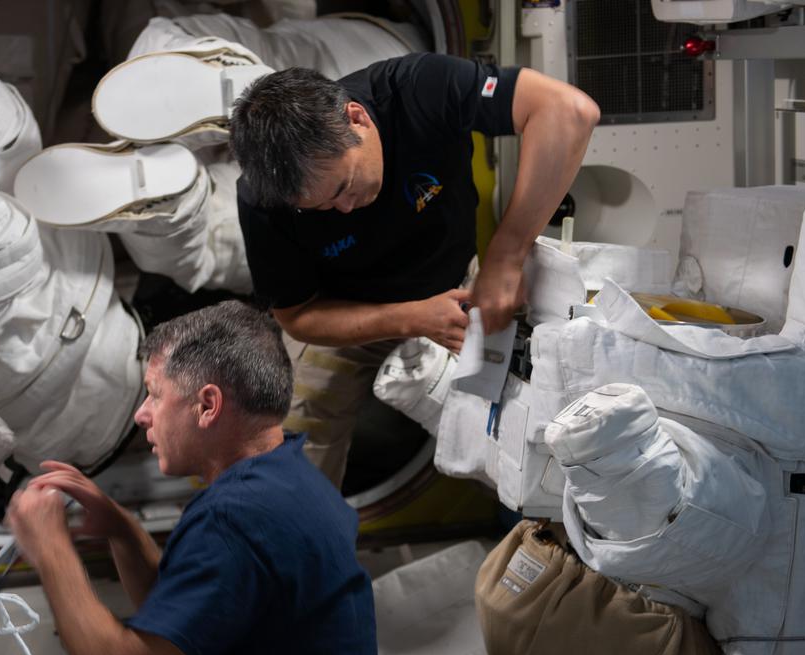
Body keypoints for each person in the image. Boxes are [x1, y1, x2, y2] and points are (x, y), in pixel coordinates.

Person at [5, 301, 383, 655]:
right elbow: (184, 627)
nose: (142, 414)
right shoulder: (287, 481)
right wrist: (120, 529)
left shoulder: (236, 519)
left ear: (207, 405)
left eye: (155, 395)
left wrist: (50, 550)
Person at [229, 55, 599, 486]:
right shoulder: (262, 201)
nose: (344, 209)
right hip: (347, 316)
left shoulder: (418, 89)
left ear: (357, 118)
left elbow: (569, 111)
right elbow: (297, 316)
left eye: (344, 187)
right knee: (288, 456)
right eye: (322, 207)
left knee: (520, 424)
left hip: (460, 290)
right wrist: (412, 318)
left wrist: (507, 254)